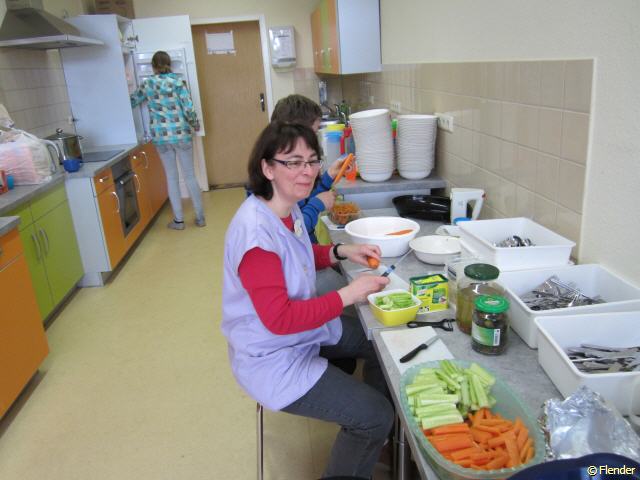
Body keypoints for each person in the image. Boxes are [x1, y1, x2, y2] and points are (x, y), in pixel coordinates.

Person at [221, 122, 394, 478]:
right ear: (268, 168)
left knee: (378, 341)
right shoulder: (256, 237)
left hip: (299, 333)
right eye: (294, 162)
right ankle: (372, 428)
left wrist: (341, 251)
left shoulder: (286, 208)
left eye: (312, 160)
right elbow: (280, 319)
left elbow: (297, 254)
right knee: (375, 414)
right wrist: (349, 293)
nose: (307, 171)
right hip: (272, 357)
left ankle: (374, 441)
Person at [130, 50, 205, 230]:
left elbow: (131, 102)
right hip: (181, 135)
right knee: (190, 175)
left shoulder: (147, 84)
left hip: (161, 137)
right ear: (169, 64)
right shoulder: (178, 82)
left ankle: (178, 221)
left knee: (171, 177)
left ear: (153, 66)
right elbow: (189, 108)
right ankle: (200, 217)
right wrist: (195, 124)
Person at [270, 94, 344, 243]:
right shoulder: (274, 180)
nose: (314, 140)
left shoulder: (288, 163)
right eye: (313, 133)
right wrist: (317, 205)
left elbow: (302, 200)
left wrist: (328, 177)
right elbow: (292, 232)